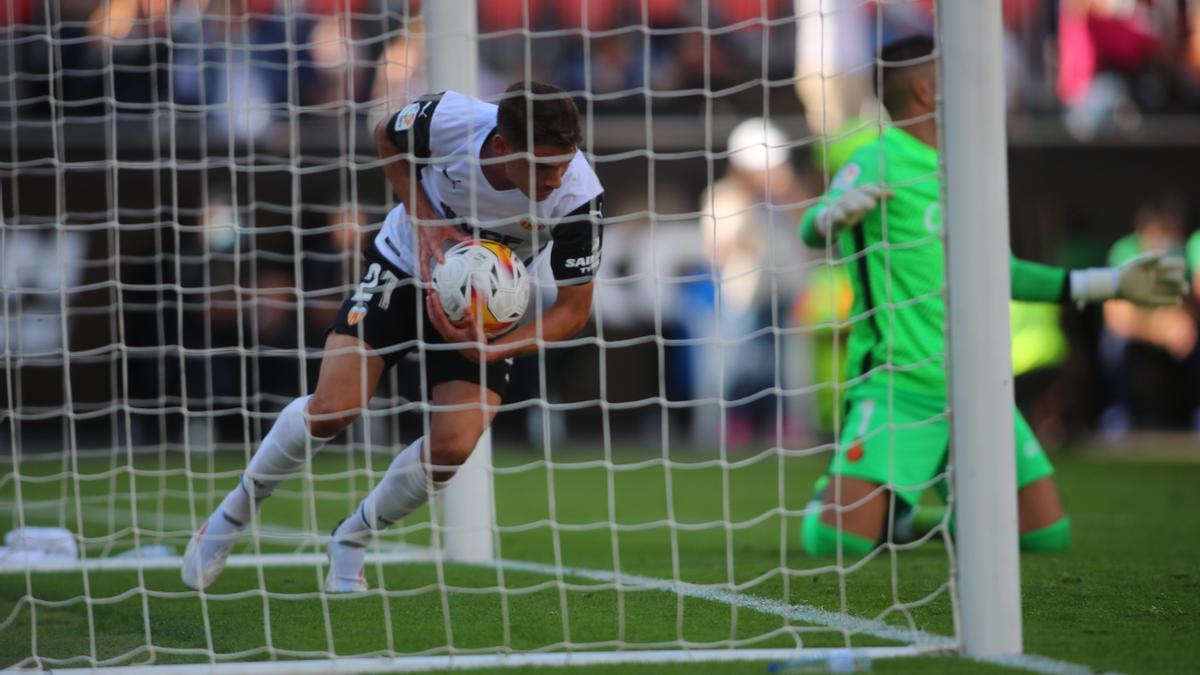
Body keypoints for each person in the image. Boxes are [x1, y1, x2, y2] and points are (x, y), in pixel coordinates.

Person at [182, 81, 604, 591]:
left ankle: (353, 538)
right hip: (403, 265)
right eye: (542, 167)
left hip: (481, 309)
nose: (556, 180)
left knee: (454, 447)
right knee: (334, 408)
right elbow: (386, 135)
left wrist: (493, 346)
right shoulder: (451, 120)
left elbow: (575, 311)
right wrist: (425, 225)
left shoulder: (579, 194)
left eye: (564, 164)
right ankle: (228, 519)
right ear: (500, 146)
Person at [797, 36, 1188, 558]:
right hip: (901, 383)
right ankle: (864, 505)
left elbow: (1000, 273)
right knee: (835, 542)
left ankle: (911, 520)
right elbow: (811, 226)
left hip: (976, 386)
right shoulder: (879, 159)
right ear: (925, 88)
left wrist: (1110, 283)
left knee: (1046, 536)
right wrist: (830, 217)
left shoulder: (969, 169)